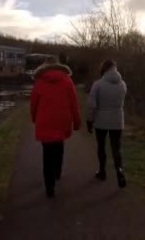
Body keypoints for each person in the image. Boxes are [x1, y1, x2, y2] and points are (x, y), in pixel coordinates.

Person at [30, 56, 81, 198]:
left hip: (44, 122)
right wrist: (76, 122)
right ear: (58, 65)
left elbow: (33, 104)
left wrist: (35, 119)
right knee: (59, 147)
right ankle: (57, 172)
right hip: (62, 121)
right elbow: (74, 104)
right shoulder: (67, 81)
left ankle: (49, 186)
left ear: (44, 66)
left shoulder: (39, 82)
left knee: (47, 155)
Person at [86, 59, 128, 188]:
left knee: (102, 147)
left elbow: (92, 105)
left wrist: (89, 120)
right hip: (117, 120)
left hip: (101, 120)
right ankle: (120, 172)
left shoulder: (98, 84)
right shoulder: (123, 84)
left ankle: (102, 172)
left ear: (104, 69)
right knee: (116, 148)